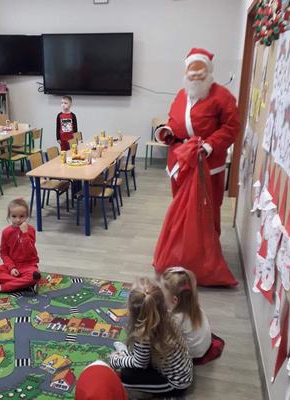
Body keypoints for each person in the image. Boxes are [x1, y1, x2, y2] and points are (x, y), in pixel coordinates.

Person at [155, 48, 239, 235]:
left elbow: (231, 127)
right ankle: (182, 244)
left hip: (208, 163)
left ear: (208, 72)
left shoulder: (222, 96)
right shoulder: (181, 94)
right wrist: (168, 130)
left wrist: (210, 145)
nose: (195, 78)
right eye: (191, 74)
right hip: (181, 161)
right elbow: (174, 119)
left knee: (207, 207)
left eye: (199, 73)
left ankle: (206, 247)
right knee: (180, 205)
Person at [109, 277, 193, 397]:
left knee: (126, 377)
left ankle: (149, 392)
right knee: (134, 358)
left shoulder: (143, 334)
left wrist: (116, 360)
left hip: (175, 384)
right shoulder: (167, 314)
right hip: (180, 369)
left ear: (132, 311)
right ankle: (125, 354)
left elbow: (140, 363)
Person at [160, 267, 225, 364]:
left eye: (162, 292)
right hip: (204, 345)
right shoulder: (193, 306)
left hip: (193, 354)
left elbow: (167, 339)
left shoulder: (175, 318)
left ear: (175, 300)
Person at [0, 198, 41, 295]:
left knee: (34, 276)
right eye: (14, 216)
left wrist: (25, 234)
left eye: (22, 216)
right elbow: (4, 253)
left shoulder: (30, 230)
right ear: (9, 216)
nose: (18, 220)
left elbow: (30, 252)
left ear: (27, 216)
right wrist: (11, 268)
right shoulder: (6, 232)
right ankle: (24, 285)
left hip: (28, 266)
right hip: (12, 265)